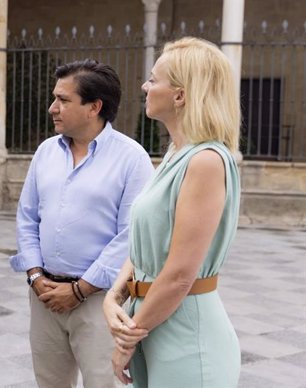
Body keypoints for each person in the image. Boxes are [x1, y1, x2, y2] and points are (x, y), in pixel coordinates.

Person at [103, 37, 242, 387]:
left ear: (179, 95)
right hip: (152, 323)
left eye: (153, 79)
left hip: (186, 336)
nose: (144, 86)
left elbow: (181, 274)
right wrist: (114, 296)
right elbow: (144, 245)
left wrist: (127, 338)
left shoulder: (206, 161)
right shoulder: (174, 155)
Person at [9, 59, 154, 388]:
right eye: (53, 98)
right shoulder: (46, 152)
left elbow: (132, 235)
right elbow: (27, 216)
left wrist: (80, 289)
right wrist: (34, 273)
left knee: (102, 383)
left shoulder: (132, 159)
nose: (52, 108)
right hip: (44, 295)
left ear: (94, 107)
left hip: (98, 303)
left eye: (63, 100)